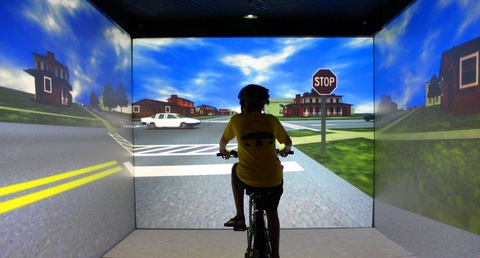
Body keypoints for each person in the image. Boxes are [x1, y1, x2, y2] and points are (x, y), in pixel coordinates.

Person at [219, 84, 292, 258]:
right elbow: (287, 143)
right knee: (272, 212)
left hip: (247, 177)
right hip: (273, 178)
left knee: (235, 168)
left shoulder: (237, 120)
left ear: (243, 103)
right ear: (263, 104)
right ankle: (275, 255)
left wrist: (224, 152)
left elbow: (223, 143)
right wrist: (285, 150)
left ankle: (240, 217)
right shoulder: (271, 120)